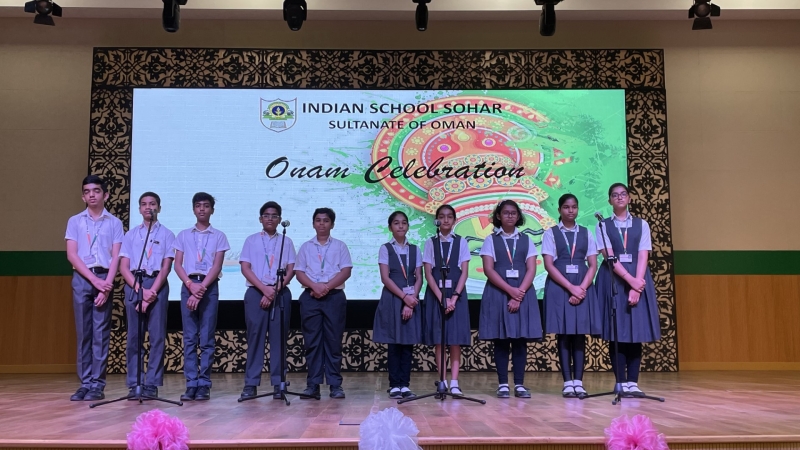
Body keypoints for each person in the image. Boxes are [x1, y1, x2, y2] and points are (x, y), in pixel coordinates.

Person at [595, 183, 661, 397]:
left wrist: (637, 285)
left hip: (638, 279)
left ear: (630, 198)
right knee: (617, 332)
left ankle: (633, 382)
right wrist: (630, 281)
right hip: (614, 279)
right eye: (615, 195)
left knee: (636, 331)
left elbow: (643, 255)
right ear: (609, 200)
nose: (620, 197)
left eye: (623, 194)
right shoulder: (602, 225)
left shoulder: (642, 224)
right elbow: (609, 256)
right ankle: (621, 382)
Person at [65, 174, 124, 401]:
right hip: (83, 278)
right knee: (84, 334)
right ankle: (85, 383)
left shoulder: (114, 222)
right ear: (83, 196)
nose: (91, 195)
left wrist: (106, 285)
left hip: (105, 278)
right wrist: (94, 281)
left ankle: (97, 384)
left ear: (105, 195)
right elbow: (72, 254)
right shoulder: (75, 221)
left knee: (100, 334)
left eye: (96, 191)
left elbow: (116, 256)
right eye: (87, 192)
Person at [479, 199, 542, 399]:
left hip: (523, 294)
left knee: (520, 340)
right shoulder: (490, 240)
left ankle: (520, 384)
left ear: (518, 216)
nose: (510, 216)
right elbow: (489, 269)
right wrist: (510, 291)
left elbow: (531, 269)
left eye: (513, 213)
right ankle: (503, 384)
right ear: (498, 216)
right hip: (499, 294)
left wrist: (519, 293)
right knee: (501, 340)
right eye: (506, 213)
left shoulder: (526, 239)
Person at [173, 192, 230, 401]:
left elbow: (217, 266)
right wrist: (190, 285)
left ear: (212, 210)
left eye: (206, 205)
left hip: (209, 286)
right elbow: (177, 264)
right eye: (198, 205)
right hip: (188, 285)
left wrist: (201, 289)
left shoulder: (219, 236)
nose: (202, 209)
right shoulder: (183, 235)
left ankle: (204, 384)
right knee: (189, 338)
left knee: (206, 338)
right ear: (193, 209)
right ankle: (191, 384)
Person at [119, 192, 175, 399]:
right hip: (134, 284)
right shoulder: (131, 235)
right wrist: (140, 291)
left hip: (157, 285)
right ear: (139, 209)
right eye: (144, 204)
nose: (148, 207)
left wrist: (152, 292)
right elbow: (123, 267)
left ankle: (151, 383)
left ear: (159, 208)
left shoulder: (168, 235)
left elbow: (166, 267)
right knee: (134, 337)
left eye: (152, 204)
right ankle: (135, 383)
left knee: (157, 337)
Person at [541, 194, 599, 398]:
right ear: (559, 210)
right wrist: (571, 288)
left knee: (579, 334)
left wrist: (581, 288)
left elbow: (593, 264)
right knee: (564, 334)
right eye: (566, 207)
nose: (570, 210)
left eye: (574, 207)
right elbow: (549, 265)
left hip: (583, 285)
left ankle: (578, 382)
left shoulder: (586, 232)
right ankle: (567, 382)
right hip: (560, 287)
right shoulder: (550, 233)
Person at [239, 201, 296, 400]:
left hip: (280, 292)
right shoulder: (251, 240)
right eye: (266, 215)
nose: (270, 219)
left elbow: (291, 269)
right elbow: (245, 267)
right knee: (255, 338)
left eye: (274, 216)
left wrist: (274, 290)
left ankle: (279, 383)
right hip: (256, 292)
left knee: (279, 339)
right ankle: (251, 384)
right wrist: (264, 290)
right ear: (260, 219)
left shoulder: (286, 241)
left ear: (279, 219)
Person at [294, 208, 353, 399]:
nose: (322, 224)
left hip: (334, 297)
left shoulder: (340, 246)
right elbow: (299, 272)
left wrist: (325, 287)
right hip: (310, 297)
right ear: (313, 224)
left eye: (326, 220)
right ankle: (313, 384)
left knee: (334, 342)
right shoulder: (306, 247)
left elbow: (346, 271)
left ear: (332, 224)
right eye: (318, 220)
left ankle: (335, 385)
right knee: (312, 342)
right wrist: (314, 286)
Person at [421, 204, 471, 395]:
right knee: (440, 340)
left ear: (454, 220)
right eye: (441, 216)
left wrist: (454, 298)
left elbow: (464, 272)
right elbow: (428, 273)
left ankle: (455, 382)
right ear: (437, 220)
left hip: (456, 295)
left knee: (455, 339)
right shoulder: (430, 242)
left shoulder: (461, 241)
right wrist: (442, 298)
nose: (446, 220)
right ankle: (442, 380)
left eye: (449, 216)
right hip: (436, 295)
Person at [373, 211, 423, 399]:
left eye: (404, 223)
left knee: (408, 343)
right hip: (393, 299)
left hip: (411, 300)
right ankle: (394, 384)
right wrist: (404, 297)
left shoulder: (415, 249)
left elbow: (419, 277)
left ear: (408, 226)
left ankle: (405, 385)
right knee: (394, 343)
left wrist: (411, 300)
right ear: (390, 227)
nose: (400, 226)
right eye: (396, 223)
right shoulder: (385, 248)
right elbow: (385, 278)